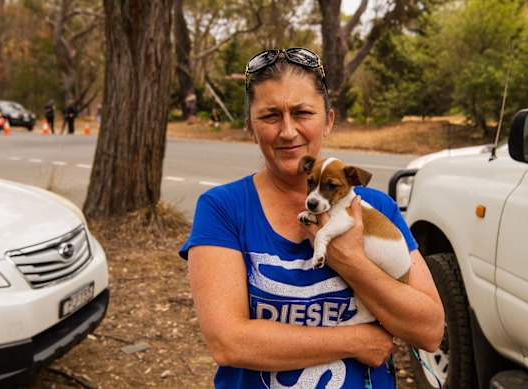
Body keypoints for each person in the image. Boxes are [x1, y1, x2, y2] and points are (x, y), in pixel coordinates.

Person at [179, 48, 444, 388]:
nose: (288, 132)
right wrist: (357, 341)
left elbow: (430, 330)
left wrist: (349, 260)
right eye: (270, 116)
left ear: (329, 120)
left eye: (302, 112)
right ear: (249, 127)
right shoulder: (223, 208)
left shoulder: (375, 208)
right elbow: (228, 342)